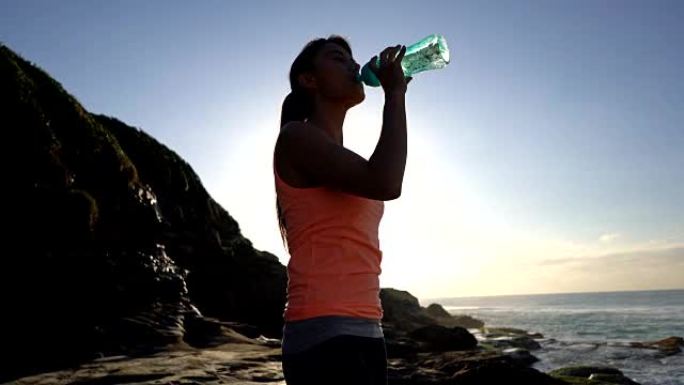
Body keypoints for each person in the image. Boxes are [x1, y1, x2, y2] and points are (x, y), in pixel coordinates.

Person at [274, 34, 411, 385]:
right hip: (324, 334)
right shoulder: (295, 137)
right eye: (338, 58)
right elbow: (386, 183)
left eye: (352, 59)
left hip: (366, 328)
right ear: (309, 79)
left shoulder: (344, 160)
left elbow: (379, 178)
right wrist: (395, 95)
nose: (353, 65)